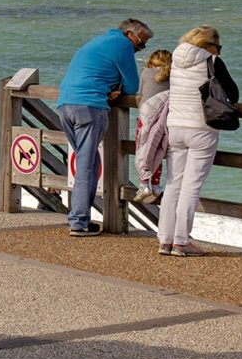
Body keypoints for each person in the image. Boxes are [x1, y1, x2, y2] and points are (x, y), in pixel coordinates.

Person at [55, 19, 151, 236]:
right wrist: (115, 89)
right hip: (89, 107)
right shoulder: (123, 46)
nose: (139, 49)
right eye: (140, 44)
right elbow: (133, 86)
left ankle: (83, 219)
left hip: (65, 104)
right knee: (86, 167)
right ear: (129, 34)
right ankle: (78, 222)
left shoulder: (100, 41)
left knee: (88, 162)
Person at [161, 25, 230, 256]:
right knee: (191, 186)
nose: (219, 50)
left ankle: (165, 239)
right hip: (201, 127)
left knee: (173, 184)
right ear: (208, 44)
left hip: (175, 126)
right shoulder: (212, 61)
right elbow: (232, 92)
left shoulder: (177, 58)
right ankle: (181, 241)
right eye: (217, 45)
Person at [132, 49, 173, 204]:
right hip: (164, 121)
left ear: (150, 63)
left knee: (142, 150)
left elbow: (140, 93)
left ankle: (143, 185)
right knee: (157, 151)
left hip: (145, 119)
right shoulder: (173, 76)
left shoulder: (145, 73)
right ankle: (156, 186)